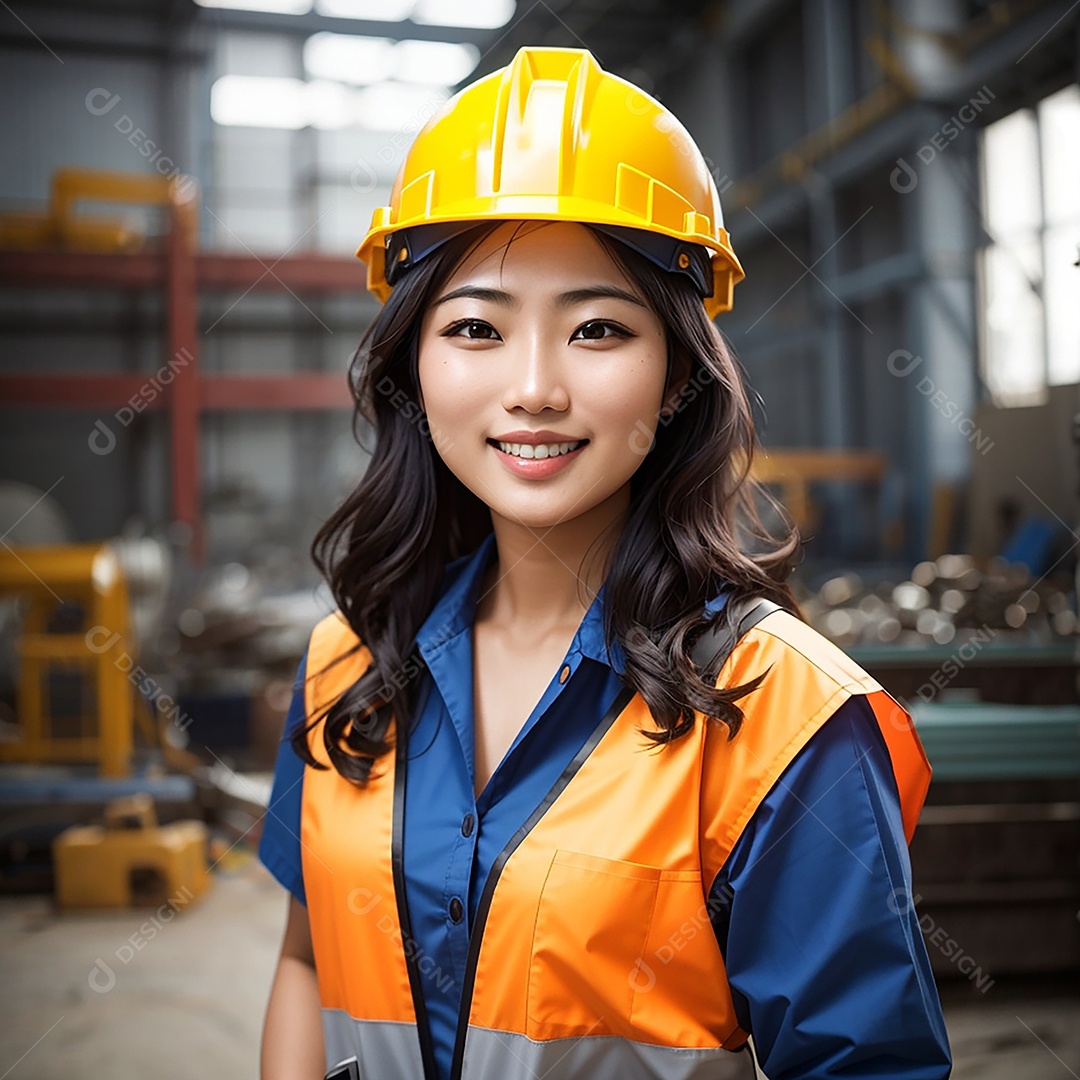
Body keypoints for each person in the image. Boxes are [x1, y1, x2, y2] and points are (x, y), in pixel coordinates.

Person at [258, 45, 952, 1080]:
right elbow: (310, 964)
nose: (534, 387)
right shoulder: (345, 670)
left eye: (596, 327)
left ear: (678, 370)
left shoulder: (781, 720)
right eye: (477, 327)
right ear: (413, 361)